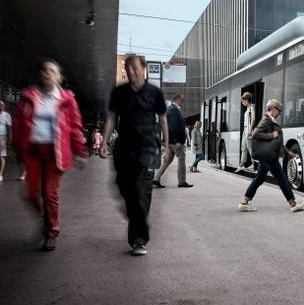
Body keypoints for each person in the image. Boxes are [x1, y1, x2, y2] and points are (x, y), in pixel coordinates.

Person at [12, 59, 87, 251]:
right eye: (44, 70)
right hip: (33, 152)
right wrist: (17, 148)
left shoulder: (67, 99)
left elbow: (74, 126)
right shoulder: (28, 97)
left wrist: (79, 151)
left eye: (52, 71)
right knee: (29, 193)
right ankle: (46, 217)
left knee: (49, 193)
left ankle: (51, 232)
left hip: (56, 153)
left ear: (58, 76)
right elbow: (19, 124)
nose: (47, 73)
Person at [100, 54, 169, 256]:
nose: (131, 72)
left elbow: (163, 119)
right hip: (124, 148)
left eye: (135, 68)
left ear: (144, 69)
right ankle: (135, 216)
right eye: (128, 68)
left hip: (147, 147)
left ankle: (139, 239)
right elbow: (112, 117)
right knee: (125, 188)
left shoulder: (154, 92)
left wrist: (166, 144)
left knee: (141, 191)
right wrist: (104, 142)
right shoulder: (119, 92)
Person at [238, 99, 304, 213]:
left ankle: (244, 201)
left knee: (259, 178)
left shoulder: (271, 120)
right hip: (269, 156)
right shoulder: (266, 120)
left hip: (266, 156)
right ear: (273, 109)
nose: (280, 113)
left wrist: (288, 152)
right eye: (279, 110)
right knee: (282, 178)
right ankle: (292, 203)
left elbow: (277, 141)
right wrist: (271, 135)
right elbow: (256, 134)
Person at [153, 94, 193, 188]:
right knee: (181, 159)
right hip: (175, 142)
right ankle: (182, 182)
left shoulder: (171, 109)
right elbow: (173, 127)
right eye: (182, 100)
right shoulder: (174, 110)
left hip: (171, 141)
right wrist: (177, 141)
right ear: (177, 100)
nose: (183, 102)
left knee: (167, 161)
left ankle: (156, 179)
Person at [235, 91, 255, 172]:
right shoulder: (247, 109)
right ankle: (242, 165)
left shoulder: (251, 107)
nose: (242, 102)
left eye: (243, 101)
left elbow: (253, 119)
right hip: (245, 130)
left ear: (247, 100)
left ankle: (254, 164)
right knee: (243, 147)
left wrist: (250, 130)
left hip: (248, 130)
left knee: (250, 148)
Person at [0, 100, 11, 182]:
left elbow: (9, 128)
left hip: (2, 136)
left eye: (2, 105)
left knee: (1, 156)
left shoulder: (7, 115)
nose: (0, 106)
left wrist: (10, 139)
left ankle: (0, 174)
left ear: (4, 106)